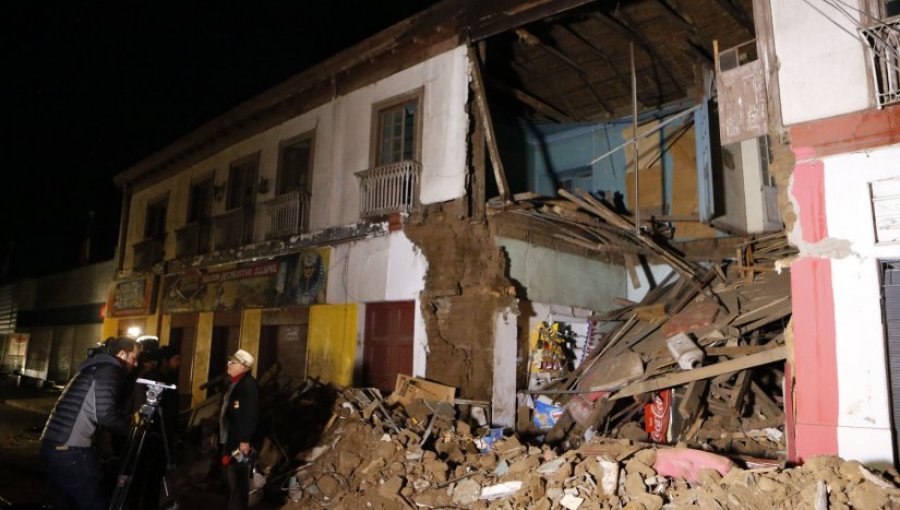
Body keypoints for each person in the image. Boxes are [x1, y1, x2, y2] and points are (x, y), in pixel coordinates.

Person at [40, 336, 138, 510]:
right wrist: (132, 421)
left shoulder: (93, 367)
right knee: (95, 504)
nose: (136, 363)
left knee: (63, 504)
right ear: (122, 354)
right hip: (71, 449)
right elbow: (106, 415)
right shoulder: (110, 370)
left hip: (53, 445)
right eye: (134, 358)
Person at [128, 345, 181, 510]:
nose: (179, 363)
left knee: (151, 479)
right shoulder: (155, 381)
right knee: (145, 479)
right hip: (152, 437)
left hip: (155, 436)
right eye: (176, 359)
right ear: (164, 361)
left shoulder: (165, 378)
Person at [219, 349, 259, 510]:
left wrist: (245, 441)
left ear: (243, 367)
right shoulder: (235, 383)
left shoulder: (248, 387)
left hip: (239, 443)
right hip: (230, 440)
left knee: (238, 482)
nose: (229, 364)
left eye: (233, 362)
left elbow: (250, 415)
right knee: (231, 481)